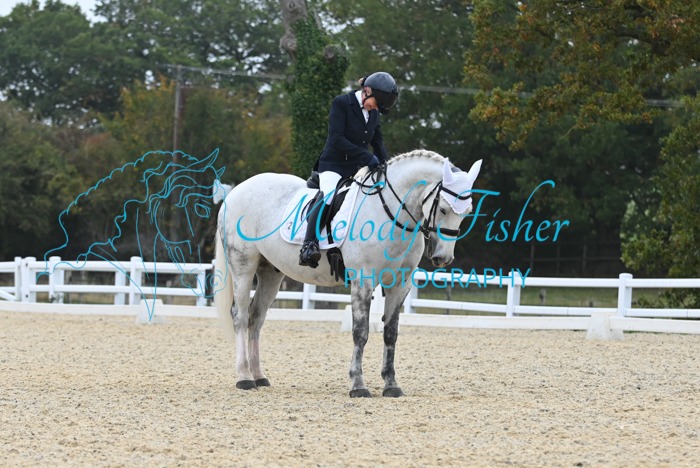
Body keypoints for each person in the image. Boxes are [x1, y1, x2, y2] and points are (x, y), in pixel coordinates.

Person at [299, 71, 399, 268]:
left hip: (357, 168)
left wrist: (386, 166)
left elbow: (377, 142)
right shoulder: (342, 103)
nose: (376, 109)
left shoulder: (374, 112)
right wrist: (367, 157)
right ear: (366, 91)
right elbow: (336, 139)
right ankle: (309, 244)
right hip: (333, 165)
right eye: (376, 104)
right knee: (329, 194)